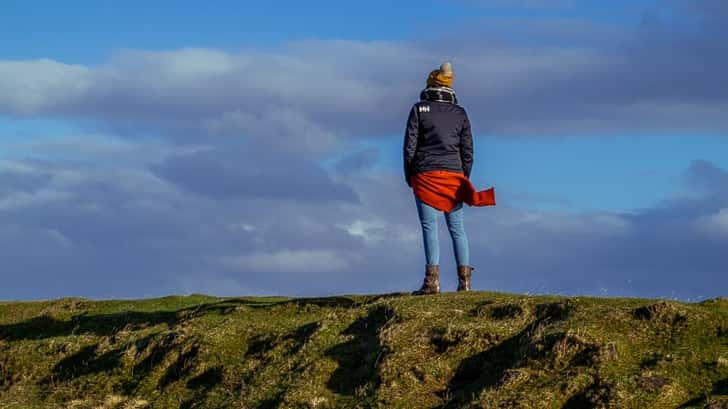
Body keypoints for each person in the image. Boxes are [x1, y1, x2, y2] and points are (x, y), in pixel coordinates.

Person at [403, 61, 496, 295]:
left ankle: (431, 281)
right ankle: (465, 282)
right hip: (454, 174)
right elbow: (468, 150)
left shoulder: (418, 109)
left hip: (425, 173)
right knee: (457, 228)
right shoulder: (460, 113)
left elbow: (409, 146)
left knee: (429, 227)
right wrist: (464, 177)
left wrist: (410, 175)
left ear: (430, 84)